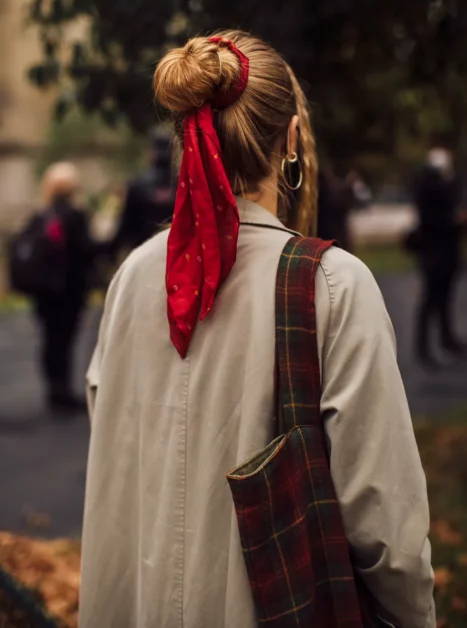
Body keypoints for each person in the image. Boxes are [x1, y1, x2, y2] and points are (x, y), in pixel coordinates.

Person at [79, 32, 435, 628]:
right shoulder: (333, 285)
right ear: (291, 138)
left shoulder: (134, 275)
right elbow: (383, 521)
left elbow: (117, 436)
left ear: (184, 137)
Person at [34, 162, 94, 412]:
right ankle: (63, 392)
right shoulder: (75, 214)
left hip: (45, 291)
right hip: (69, 290)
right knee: (66, 339)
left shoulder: (41, 215)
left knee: (50, 338)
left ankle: (53, 389)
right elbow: (85, 251)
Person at [412, 146, 465, 367]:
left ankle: (446, 339)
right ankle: (425, 347)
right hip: (436, 256)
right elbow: (439, 221)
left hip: (441, 255)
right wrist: (455, 221)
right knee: (432, 301)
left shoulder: (431, 189)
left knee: (441, 300)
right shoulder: (433, 190)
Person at [106, 129, 175, 255]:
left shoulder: (137, 186)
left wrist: (108, 251)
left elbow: (125, 227)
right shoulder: (184, 185)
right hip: (178, 258)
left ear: (151, 153)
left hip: (143, 255)